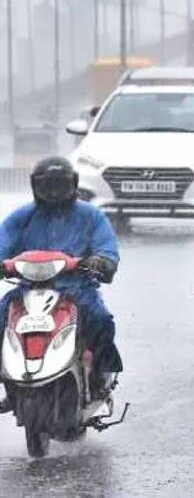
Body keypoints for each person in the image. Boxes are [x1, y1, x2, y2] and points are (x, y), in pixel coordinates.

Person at [0, 157, 122, 410]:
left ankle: (100, 375)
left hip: (77, 289)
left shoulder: (91, 216)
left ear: (74, 185)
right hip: (27, 290)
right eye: (48, 186)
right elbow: (3, 243)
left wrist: (103, 261)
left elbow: (106, 247)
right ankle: (9, 383)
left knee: (101, 321)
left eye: (60, 185)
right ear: (35, 186)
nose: (54, 192)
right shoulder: (22, 217)